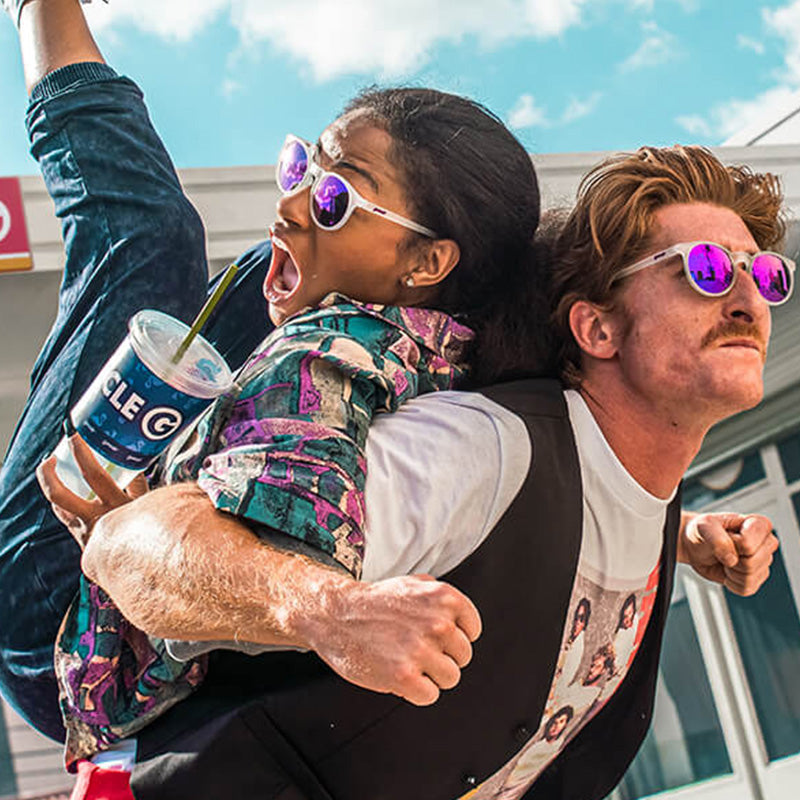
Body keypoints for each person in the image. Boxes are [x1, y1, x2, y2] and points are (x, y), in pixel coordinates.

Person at [0, 3, 784, 800]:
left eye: (335, 194)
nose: (294, 201)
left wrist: (670, 530)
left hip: (115, 640)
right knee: (154, 238)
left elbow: (567, 471)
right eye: (299, 167)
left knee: (165, 243)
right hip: (65, 609)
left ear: (430, 261)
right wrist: (291, 594)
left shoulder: (467, 368)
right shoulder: (357, 361)